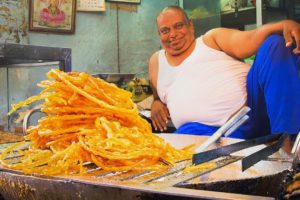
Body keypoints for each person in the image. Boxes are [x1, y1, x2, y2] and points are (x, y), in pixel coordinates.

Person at [149, 5, 300, 139]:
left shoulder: (211, 39)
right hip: (204, 134)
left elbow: (251, 38)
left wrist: (283, 25)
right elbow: (158, 93)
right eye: (165, 30)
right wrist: (156, 102)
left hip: (252, 112)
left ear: (191, 26)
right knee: (177, 147)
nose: (173, 34)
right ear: (159, 35)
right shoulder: (156, 61)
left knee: (275, 44)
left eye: (178, 26)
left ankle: (287, 142)